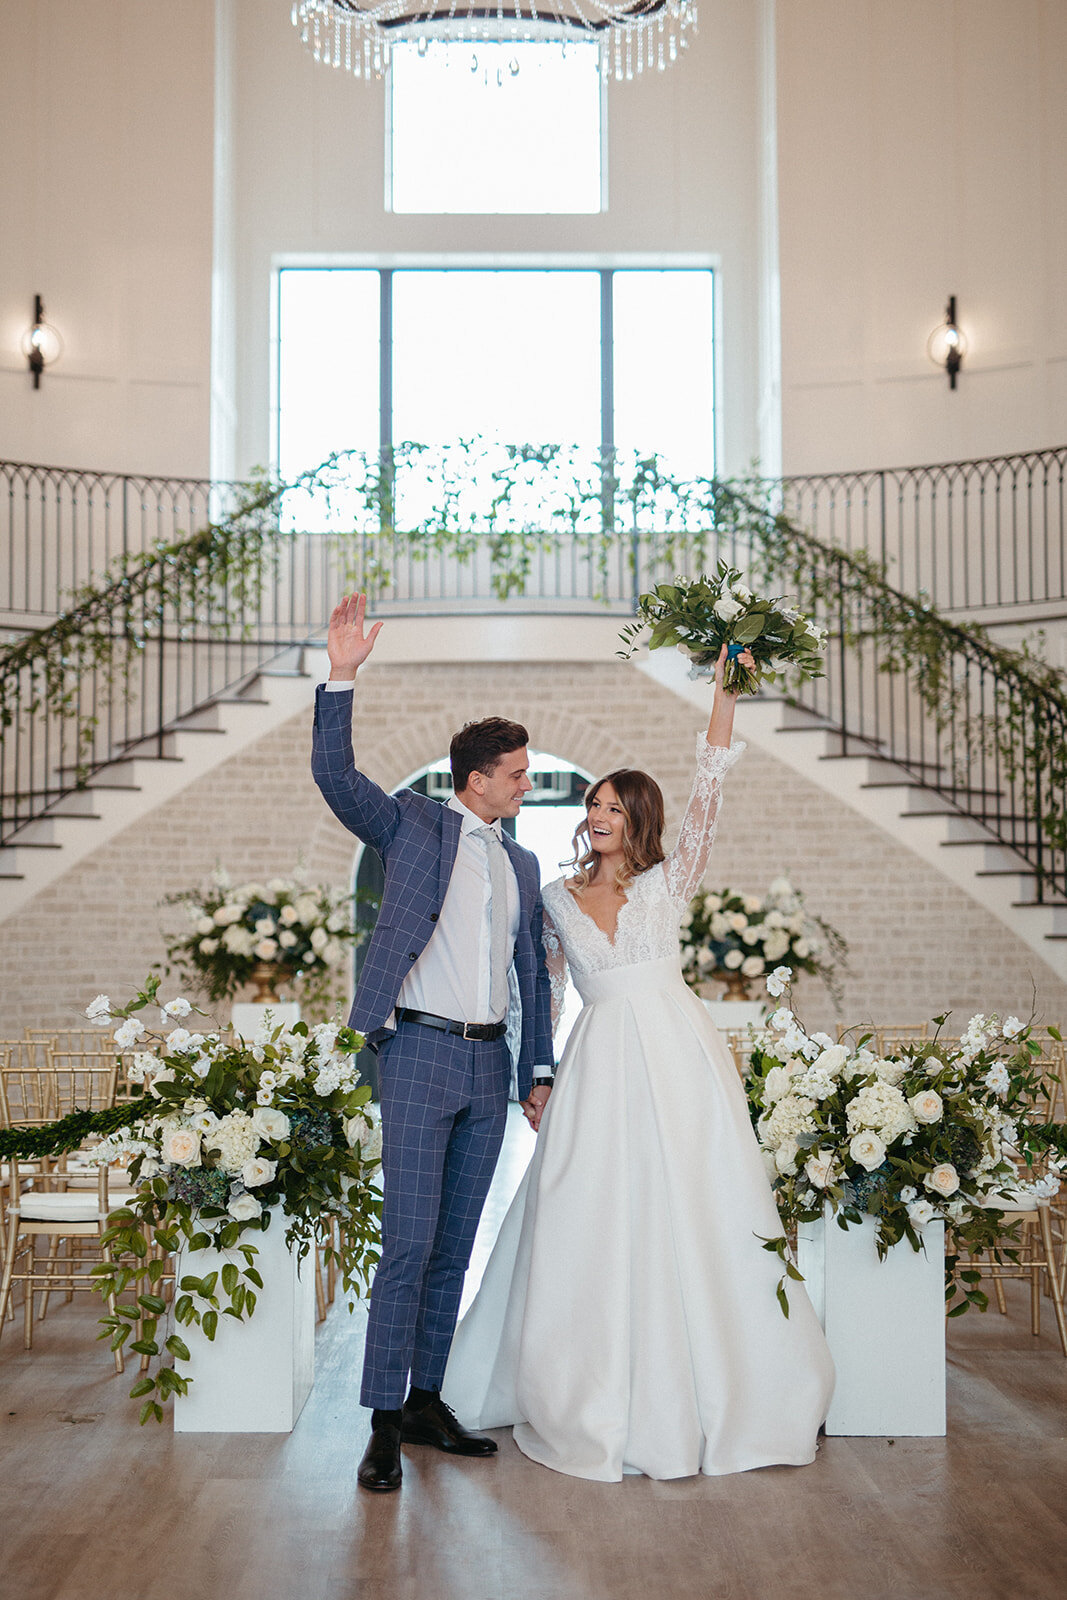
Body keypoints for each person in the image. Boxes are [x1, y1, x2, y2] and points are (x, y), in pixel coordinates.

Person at [442, 643, 835, 1480]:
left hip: (679, 1053)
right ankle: (583, 1383)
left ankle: (727, 1385)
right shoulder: (552, 896)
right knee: (590, 1209)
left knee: (699, 1204)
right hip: (600, 1063)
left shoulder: (668, 881)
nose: (596, 816)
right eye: (591, 804)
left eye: (612, 807)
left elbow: (712, 785)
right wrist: (535, 1075)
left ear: (639, 819)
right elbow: (537, 994)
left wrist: (726, 691)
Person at [311, 594, 555, 1493]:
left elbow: (532, 974)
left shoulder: (523, 864)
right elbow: (336, 778)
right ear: (478, 777)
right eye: (519, 774)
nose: (528, 784)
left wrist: (536, 1070)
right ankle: (379, 1422)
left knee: (456, 1242)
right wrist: (343, 675)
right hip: (413, 1054)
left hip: (488, 1062)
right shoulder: (411, 824)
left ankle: (425, 1399)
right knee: (407, 1241)